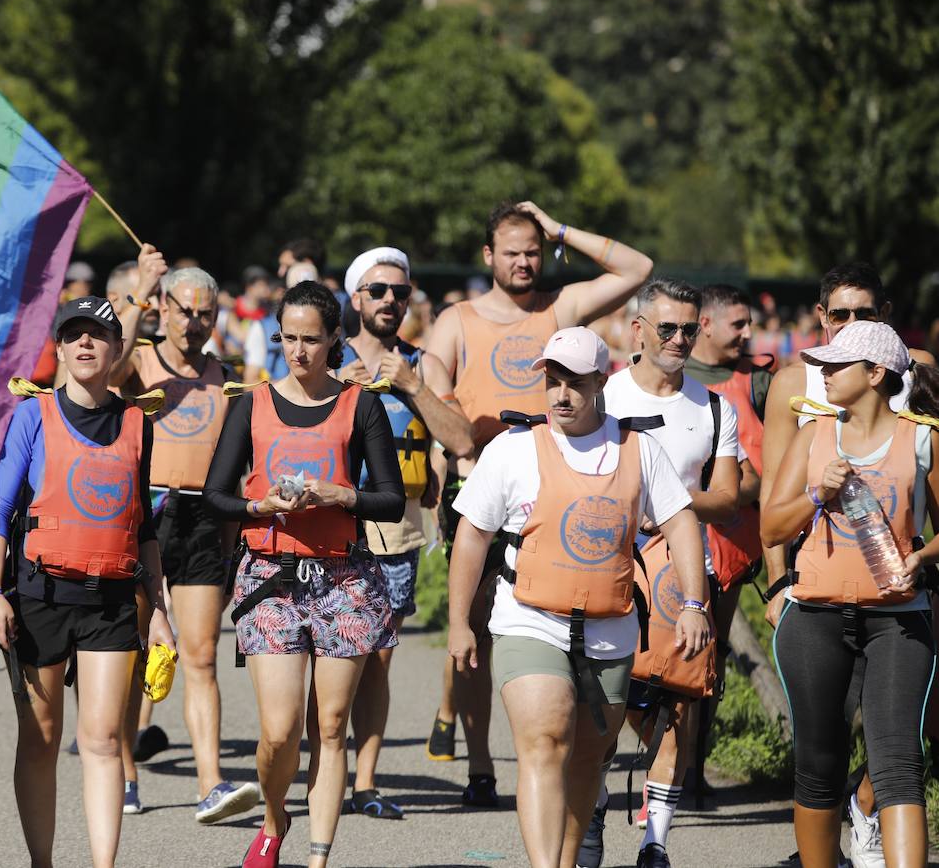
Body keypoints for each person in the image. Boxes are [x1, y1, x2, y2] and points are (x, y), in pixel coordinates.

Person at [448, 326, 710, 868]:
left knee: (589, 762)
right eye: (553, 380)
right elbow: (472, 535)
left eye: (575, 382)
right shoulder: (514, 448)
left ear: (600, 383)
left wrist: (693, 603)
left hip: (610, 629)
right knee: (543, 746)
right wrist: (458, 622)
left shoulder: (638, 447)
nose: (561, 394)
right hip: (529, 621)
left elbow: (682, 524)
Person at [423, 200, 654, 807]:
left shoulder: (562, 308)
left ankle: (559, 752)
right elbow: (433, 401)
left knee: (555, 620)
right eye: (511, 251)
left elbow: (638, 268)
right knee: (475, 630)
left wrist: (562, 231)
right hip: (483, 487)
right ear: (488, 256)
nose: (524, 261)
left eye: (532, 250)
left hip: (563, 486)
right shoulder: (456, 320)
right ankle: (479, 764)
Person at [204, 281, 405, 868]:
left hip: (343, 577)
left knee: (332, 724)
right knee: (279, 730)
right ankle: (273, 816)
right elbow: (215, 495)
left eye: (310, 339)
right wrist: (258, 509)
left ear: (334, 339)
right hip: (270, 574)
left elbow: (390, 500)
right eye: (287, 338)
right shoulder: (252, 404)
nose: (298, 350)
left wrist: (344, 495)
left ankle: (318, 858)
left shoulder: (360, 404)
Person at [0, 296, 176, 868]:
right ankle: (42, 862)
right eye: (74, 335)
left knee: (102, 740)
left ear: (118, 349)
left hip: (112, 599)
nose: (86, 344)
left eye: (98, 335)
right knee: (41, 741)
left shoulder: (138, 422)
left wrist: (158, 607)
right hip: (39, 593)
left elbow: (144, 525)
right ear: (60, 348)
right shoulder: (31, 416)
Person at [759, 264, 937, 868]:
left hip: (900, 617)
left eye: (838, 366)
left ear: (875, 374)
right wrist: (815, 494)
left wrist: (923, 556)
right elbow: (771, 525)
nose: (825, 373)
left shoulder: (923, 439)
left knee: (898, 762)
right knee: (819, 761)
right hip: (815, 616)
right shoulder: (814, 437)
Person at [586, 279, 740, 868]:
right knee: (605, 704)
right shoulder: (605, 397)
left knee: (680, 709)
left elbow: (726, 498)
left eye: (689, 328)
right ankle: (595, 805)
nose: (679, 339)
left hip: (684, 577)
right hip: (611, 570)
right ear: (638, 330)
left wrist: (667, 505)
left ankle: (656, 843)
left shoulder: (714, 405)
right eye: (667, 328)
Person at [108, 264, 261, 823]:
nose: (193, 322)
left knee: (201, 656)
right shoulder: (141, 362)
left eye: (204, 312)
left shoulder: (229, 376)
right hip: (143, 508)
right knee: (130, 653)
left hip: (202, 515)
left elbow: (237, 470)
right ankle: (123, 774)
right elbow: (107, 364)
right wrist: (140, 292)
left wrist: (230, 548)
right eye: (183, 310)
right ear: (164, 310)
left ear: (216, 317)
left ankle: (211, 783)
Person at [335, 247, 474, 819]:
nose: (391, 300)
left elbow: (463, 440)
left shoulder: (423, 365)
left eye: (400, 291)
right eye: (378, 290)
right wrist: (331, 390)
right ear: (356, 298)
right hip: (333, 518)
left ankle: (364, 783)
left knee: (378, 657)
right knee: (330, 653)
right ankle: (326, 769)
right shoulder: (324, 355)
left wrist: (413, 387)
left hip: (398, 523)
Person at [685, 284, 774, 766]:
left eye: (748, 323)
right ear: (706, 324)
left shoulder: (759, 381)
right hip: (666, 540)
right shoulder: (666, 376)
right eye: (737, 324)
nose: (747, 333)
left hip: (733, 544)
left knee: (709, 655)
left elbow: (766, 473)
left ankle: (695, 761)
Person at [245, 262, 321, 383]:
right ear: (283, 292)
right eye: (298, 295)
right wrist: (291, 389)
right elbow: (250, 382)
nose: (307, 302)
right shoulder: (262, 328)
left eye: (315, 296)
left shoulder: (329, 328)